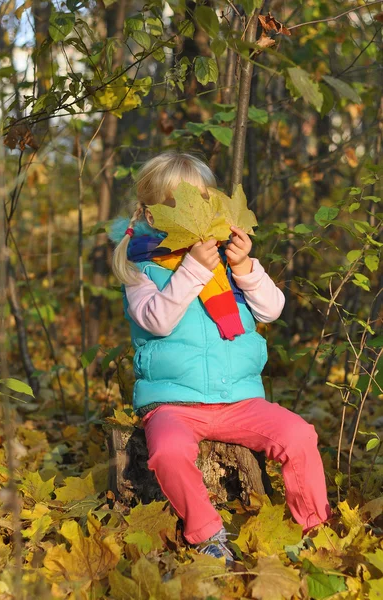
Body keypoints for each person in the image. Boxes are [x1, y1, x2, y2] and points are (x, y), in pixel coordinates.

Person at [109, 151, 332, 565]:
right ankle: (207, 533)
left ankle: (314, 530)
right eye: (179, 206)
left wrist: (245, 266)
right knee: (169, 452)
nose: (196, 216)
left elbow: (271, 309)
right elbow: (157, 321)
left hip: (240, 399)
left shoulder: (226, 262)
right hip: (174, 401)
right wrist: (192, 270)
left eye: (203, 202)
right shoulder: (142, 266)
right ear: (154, 214)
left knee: (299, 436)